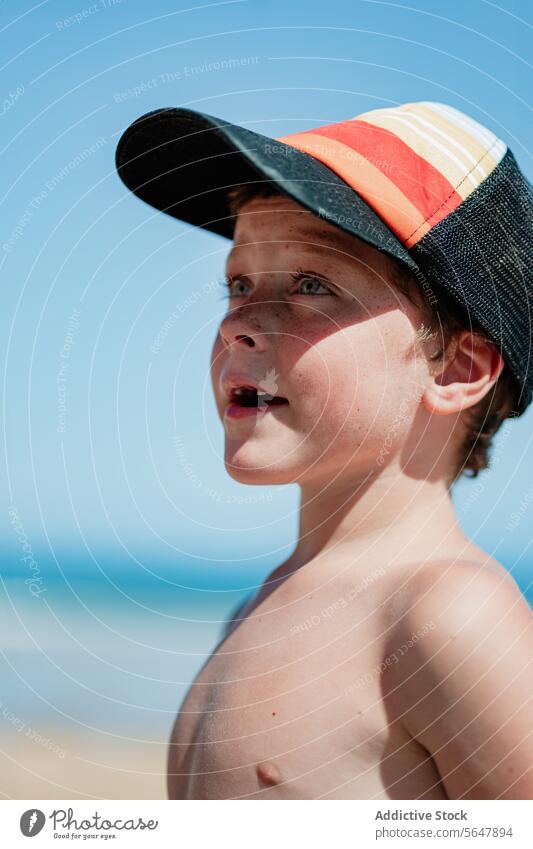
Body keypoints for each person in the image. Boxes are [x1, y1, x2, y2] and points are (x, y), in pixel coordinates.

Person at [116, 100, 533, 799]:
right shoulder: (265, 600)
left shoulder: (449, 616)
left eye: (312, 284)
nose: (241, 322)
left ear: (455, 368)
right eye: (237, 284)